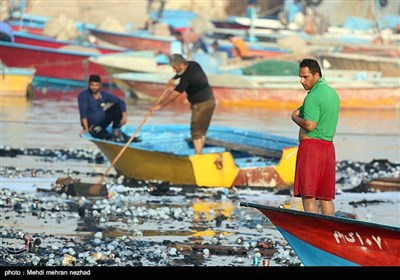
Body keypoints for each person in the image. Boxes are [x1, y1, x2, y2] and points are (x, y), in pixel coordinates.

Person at [291, 58, 340, 216]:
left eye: (305, 77)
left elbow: (310, 125)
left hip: (312, 149)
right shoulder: (332, 93)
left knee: (308, 194)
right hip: (328, 148)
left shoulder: (313, 97)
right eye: (300, 76)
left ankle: (313, 231)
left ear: (316, 75)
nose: (301, 81)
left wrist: (294, 117)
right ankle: (329, 232)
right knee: (325, 196)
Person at [150, 54, 216, 154]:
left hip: (201, 104)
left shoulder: (187, 78)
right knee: (202, 131)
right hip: (210, 101)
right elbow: (181, 73)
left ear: (181, 65)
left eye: (174, 68)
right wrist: (174, 78)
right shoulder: (193, 65)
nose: (173, 70)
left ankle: (198, 156)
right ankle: (199, 154)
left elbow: (174, 95)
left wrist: (160, 106)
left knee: (196, 132)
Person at [77, 74, 135, 142]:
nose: (94, 87)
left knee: (117, 107)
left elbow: (121, 102)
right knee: (108, 137)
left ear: (100, 85)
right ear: (89, 85)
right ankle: (111, 137)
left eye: (96, 85)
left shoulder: (103, 95)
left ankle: (115, 130)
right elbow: (83, 113)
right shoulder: (83, 95)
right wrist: (86, 128)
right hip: (92, 126)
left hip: (103, 123)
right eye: (92, 85)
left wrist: (124, 116)